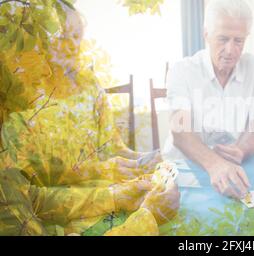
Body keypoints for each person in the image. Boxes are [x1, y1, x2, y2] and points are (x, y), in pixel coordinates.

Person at [0, 4, 180, 236]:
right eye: (63, 38)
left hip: (95, 200)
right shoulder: (23, 118)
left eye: (77, 36)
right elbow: (43, 180)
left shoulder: (88, 82)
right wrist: (145, 218)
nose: (45, 70)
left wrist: (134, 171)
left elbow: (32, 198)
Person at [163, 0, 254, 199]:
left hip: (234, 169)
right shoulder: (181, 70)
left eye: (238, 41)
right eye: (223, 39)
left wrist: (242, 149)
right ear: (207, 34)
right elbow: (180, 131)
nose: (230, 50)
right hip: (185, 171)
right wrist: (214, 163)